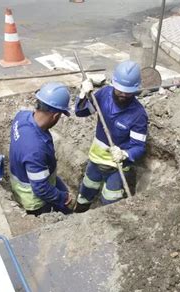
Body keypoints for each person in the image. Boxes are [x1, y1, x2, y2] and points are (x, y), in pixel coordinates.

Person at [73, 60, 148, 212]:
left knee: (111, 200)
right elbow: (81, 112)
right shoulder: (103, 95)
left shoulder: (138, 115)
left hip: (117, 166)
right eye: (120, 90)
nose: (123, 94)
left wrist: (125, 154)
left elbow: (139, 147)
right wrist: (83, 95)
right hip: (95, 159)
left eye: (128, 92)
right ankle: (79, 212)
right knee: (87, 187)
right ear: (114, 84)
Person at [9, 82, 72, 216]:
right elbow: (41, 189)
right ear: (56, 116)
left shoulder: (21, 116)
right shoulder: (35, 149)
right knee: (58, 213)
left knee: (63, 193)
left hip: (27, 174)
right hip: (34, 199)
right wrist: (63, 198)